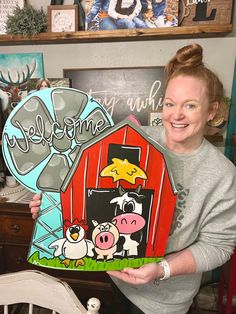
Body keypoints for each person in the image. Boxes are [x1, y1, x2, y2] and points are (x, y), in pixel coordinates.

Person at [29, 43, 236, 314]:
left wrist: (162, 268)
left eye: (191, 105)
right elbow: (92, 187)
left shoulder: (222, 174)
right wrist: (54, 208)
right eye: (170, 103)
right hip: (117, 278)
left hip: (165, 300)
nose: (176, 114)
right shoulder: (135, 139)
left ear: (212, 111)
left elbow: (218, 245)